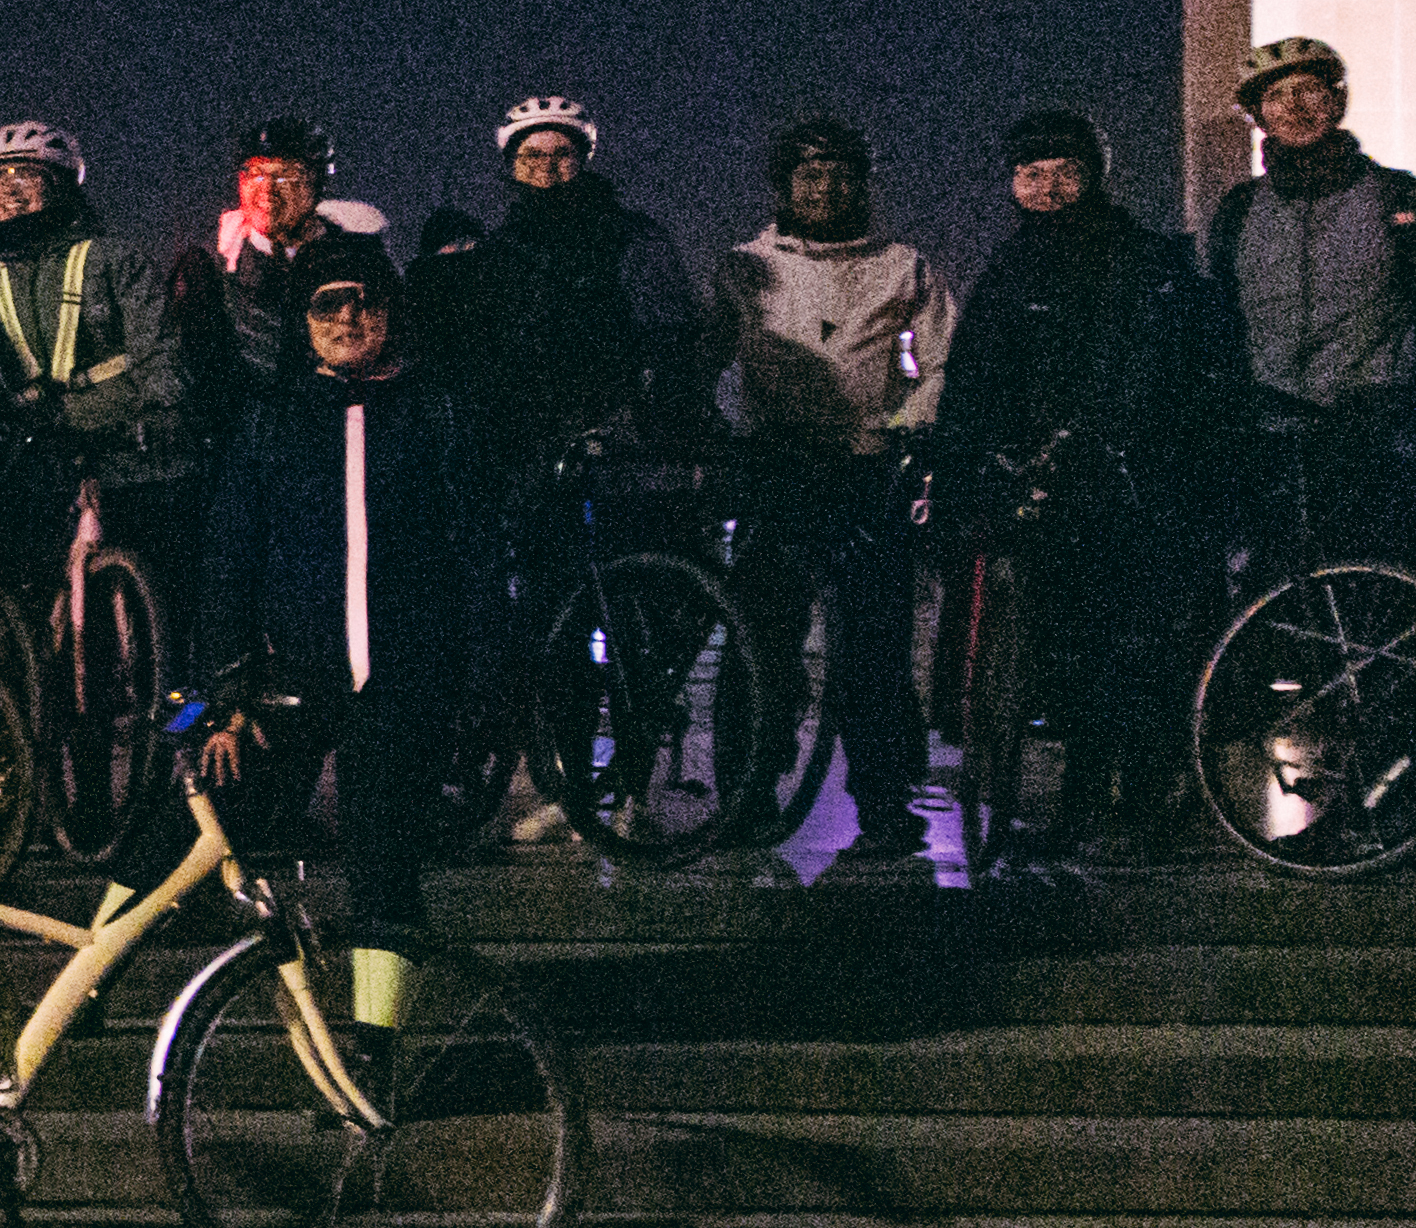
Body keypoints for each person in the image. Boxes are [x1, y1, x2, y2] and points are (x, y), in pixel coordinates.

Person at [934, 107, 1233, 863]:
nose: (1048, 187)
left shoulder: (1144, 258)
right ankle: (1075, 802)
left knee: (1131, 651)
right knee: (1062, 655)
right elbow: (972, 380)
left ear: (1095, 174)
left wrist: (1124, 441)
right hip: (1043, 488)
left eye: (1064, 172)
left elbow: (1167, 369)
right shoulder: (1006, 269)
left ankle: (1138, 796)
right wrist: (964, 464)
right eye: (1031, 175)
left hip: (1134, 484)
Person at [189, 231, 487, 972]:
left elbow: (476, 553)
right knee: (186, 827)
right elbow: (230, 559)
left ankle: (374, 1060)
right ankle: (86, 990)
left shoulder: (436, 411)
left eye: (367, 302)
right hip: (289, 680)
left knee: (384, 866)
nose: (349, 319)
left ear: (392, 312)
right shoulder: (272, 418)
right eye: (328, 305)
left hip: (402, 683)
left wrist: (479, 682)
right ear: (303, 319)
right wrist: (225, 691)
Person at [706, 117, 949, 857]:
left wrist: (908, 426)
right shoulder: (741, 265)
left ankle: (883, 802)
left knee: (876, 648)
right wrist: (729, 433)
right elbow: (705, 357)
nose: (826, 188)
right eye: (809, 176)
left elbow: (941, 361)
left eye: (841, 175)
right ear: (783, 187)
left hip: (866, 469)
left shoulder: (904, 264)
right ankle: (743, 795)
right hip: (777, 467)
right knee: (761, 643)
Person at [0, 116, 208, 672]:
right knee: (18, 604)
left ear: (62, 185)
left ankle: (179, 715)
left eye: (28, 175)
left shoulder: (115, 260)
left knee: (174, 612)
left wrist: (77, 415)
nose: (11, 189)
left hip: (133, 458)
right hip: (41, 462)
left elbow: (164, 368)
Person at [1200, 36, 1416, 581]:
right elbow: (1214, 324)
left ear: (1337, 100)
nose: (1295, 107)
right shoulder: (1235, 213)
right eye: (1276, 97)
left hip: (1379, 437)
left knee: (1384, 605)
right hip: (1274, 446)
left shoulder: (1405, 200)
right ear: (1258, 117)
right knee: (1282, 613)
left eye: (1309, 90)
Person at [416, 96, 702, 466]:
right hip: (525, 447)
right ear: (512, 164)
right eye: (531, 155)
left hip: (617, 442)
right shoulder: (497, 249)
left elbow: (673, 337)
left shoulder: (632, 236)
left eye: (561, 153)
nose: (546, 166)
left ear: (583, 158)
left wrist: (655, 418)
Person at [189, 118, 390, 436]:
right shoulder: (216, 265)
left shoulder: (357, 259)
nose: (267, 188)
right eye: (255, 173)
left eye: (286, 175)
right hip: (246, 443)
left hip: (339, 430)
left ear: (318, 182)